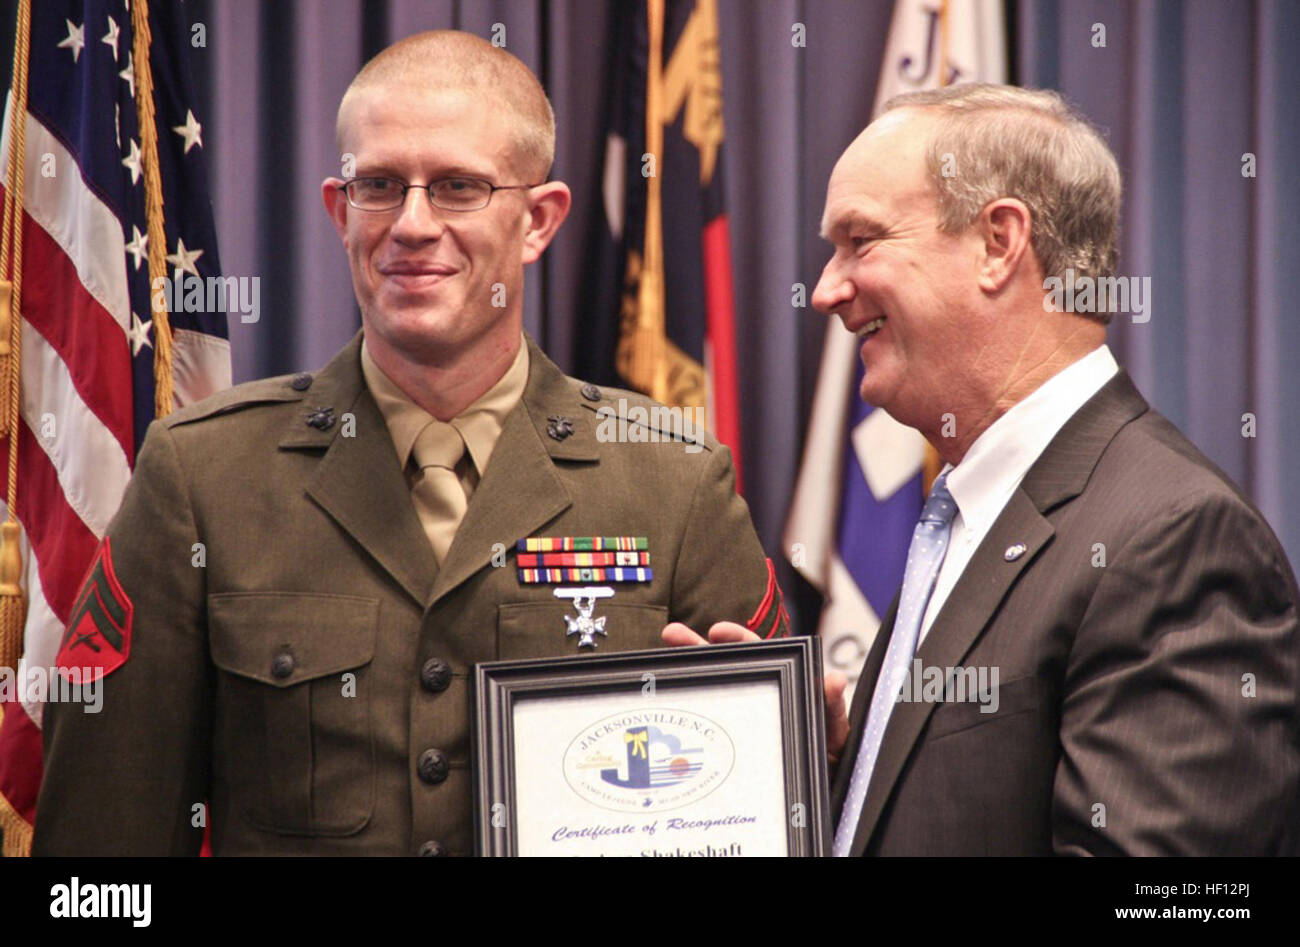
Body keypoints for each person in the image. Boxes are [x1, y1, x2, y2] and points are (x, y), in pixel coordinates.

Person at [33, 30, 786, 857]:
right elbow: (104, 850)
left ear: (538, 220)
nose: (413, 225)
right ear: (338, 210)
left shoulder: (673, 481)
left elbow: (763, 810)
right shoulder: (203, 477)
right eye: (381, 186)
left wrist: (786, 738)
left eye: (459, 187)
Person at [668, 84, 1300, 855]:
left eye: (861, 241)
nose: (828, 289)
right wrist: (822, 775)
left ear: (1000, 243)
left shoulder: (1176, 536)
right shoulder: (969, 508)